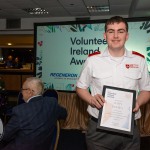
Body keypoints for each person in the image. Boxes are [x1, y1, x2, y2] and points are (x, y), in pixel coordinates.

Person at [76, 16, 150, 150]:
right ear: (105, 35)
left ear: (127, 35)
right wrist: (92, 99)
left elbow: (146, 90)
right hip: (99, 129)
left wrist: (138, 102)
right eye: (111, 31)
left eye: (120, 31)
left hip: (129, 129)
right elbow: (81, 88)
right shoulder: (93, 60)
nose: (115, 36)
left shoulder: (139, 60)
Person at [0, 77, 67, 150]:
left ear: (29, 91)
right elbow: (64, 114)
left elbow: (4, 136)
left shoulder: (20, 111)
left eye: (22, 89)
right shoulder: (52, 103)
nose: (21, 92)